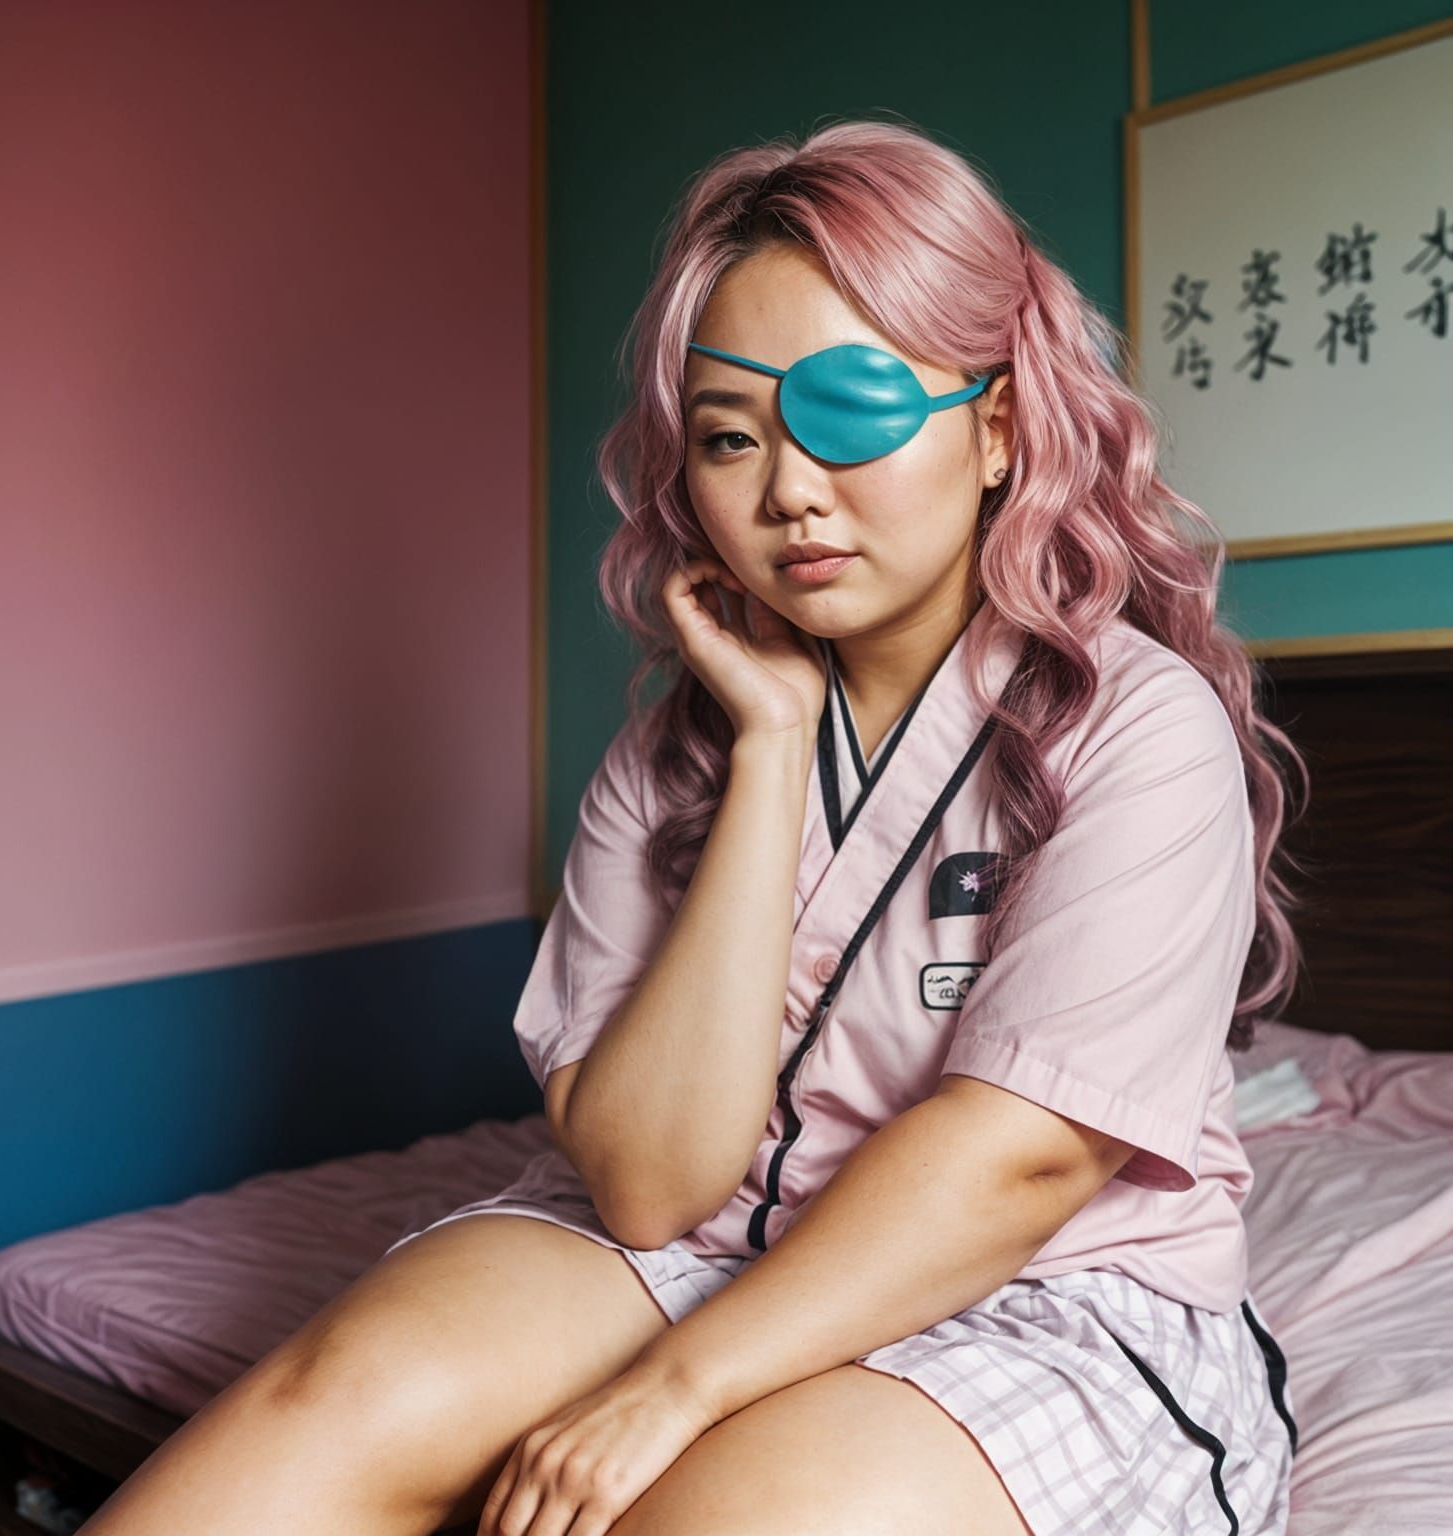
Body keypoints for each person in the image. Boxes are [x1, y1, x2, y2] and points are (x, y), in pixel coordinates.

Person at [79, 117, 1310, 1536]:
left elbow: (1020, 1160)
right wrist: (774, 747)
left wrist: (676, 1391)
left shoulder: (1138, 725)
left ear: (996, 426)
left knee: (716, 1511)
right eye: (733, 437)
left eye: (852, 411)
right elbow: (655, 1188)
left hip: (1044, 1288)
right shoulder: (672, 760)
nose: (787, 490)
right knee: (328, 1409)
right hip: (699, 1245)